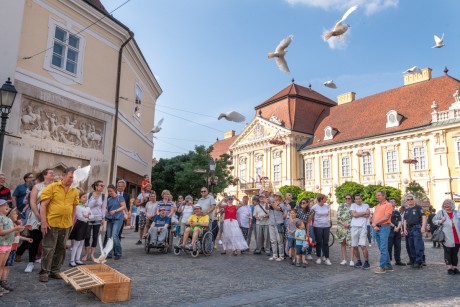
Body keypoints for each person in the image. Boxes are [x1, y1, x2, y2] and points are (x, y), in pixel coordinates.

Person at [39, 167, 80, 282]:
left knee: (61, 248)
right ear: (63, 175)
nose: (72, 180)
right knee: (48, 248)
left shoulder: (75, 191)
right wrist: (43, 222)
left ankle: (55, 270)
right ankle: (44, 272)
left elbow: (74, 207)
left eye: (74, 178)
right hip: (51, 223)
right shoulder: (52, 187)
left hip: (66, 224)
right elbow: (43, 205)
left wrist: (72, 221)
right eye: (70, 177)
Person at [23, 168, 54, 273]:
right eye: (51, 173)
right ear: (45, 175)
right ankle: (30, 262)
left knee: (49, 242)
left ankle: (46, 265)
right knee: (35, 240)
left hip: (51, 217)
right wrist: (39, 216)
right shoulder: (37, 186)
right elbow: (32, 202)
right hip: (36, 217)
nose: (53, 174)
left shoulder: (56, 186)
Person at [2, 207, 32, 292]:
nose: (17, 216)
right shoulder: (10, 224)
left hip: (13, 248)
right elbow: (12, 234)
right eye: (15, 214)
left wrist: (25, 235)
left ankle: (4, 282)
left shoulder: (14, 224)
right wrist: (21, 227)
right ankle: (2, 283)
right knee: (4, 266)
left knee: (8, 266)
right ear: (9, 215)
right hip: (8, 247)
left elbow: (16, 236)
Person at [0, 201, 26, 295]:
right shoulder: (0, 219)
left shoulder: (8, 219)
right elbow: (1, 232)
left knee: (3, 266)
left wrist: (19, 229)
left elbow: (12, 233)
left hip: (8, 245)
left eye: (7, 205)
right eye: (3, 205)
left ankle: (1, 285)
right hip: (1, 245)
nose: (6, 206)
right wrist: (15, 229)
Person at [433, 199, 460, 275]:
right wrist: (440, 221)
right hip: (446, 235)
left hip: (457, 235)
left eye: (448, 203)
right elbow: (434, 220)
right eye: (445, 204)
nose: (446, 205)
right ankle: (449, 268)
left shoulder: (456, 213)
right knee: (448, 252)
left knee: (455, 253)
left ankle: (454, 268)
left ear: (452, 204)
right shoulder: (441, 212)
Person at [83, 180, 106, 262]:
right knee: (87, 236)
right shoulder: (89, 195)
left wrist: (103, 218)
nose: (102, 187)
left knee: (95, 236)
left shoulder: (103, 196)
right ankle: (86, 254)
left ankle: (92, 254)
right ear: (96, 186)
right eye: (100, 185)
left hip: (98, 218)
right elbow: (86, 206)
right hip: (89, 218)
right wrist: (94, 201)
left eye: (103, 186)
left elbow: (103, 208)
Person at [372, 190, 393, 274]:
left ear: (384, 196)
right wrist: (374, 225)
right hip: (377, 228)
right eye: (377, 195)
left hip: (384, 227)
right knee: (381, 248)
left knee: (383, 247)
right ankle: (388, 266)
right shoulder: (377, 206)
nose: (377, 197)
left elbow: (386, 217)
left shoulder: (388, 205)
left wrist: (375, 223)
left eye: (379, 195)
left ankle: (382, 267)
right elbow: (374, 216)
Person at [69, 193, 92, 267]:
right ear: (79, 198)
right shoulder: (78, 206)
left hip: (85, 225)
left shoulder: (87, 207)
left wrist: (87, 216)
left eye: (86, 197)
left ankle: (77, 259)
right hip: (79, 225)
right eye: (84, 197)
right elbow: (80, 216)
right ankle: (72, 260)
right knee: (77, 243)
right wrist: (87, 216)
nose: (85, 198)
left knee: (81, 243)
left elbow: (92, 216)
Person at [308, 193, 331, 265]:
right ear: (321, 199)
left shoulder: (326, 206)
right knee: (319, 242)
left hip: (326, 226)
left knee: (326, 242)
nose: (326, 199)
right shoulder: (314, 207)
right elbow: (310, 218)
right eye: (325, 198)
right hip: (318, 226)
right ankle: (318, 257)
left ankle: (327, 258)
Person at [105, 184, 126, 260]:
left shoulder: (120, 197)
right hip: (110, 219)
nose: (110, 192)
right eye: (108, 191)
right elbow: (107, 209)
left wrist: (115, 211)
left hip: (118, 218)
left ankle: (118, 253)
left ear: (114, 190)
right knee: (109, 236)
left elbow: (124, 206)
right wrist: (105, 216)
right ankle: (109, 253)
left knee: (114, 235)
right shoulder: (109, 199)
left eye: (111, 191)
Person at [350, 194, 370, 270]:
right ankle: (359, 261)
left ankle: (367, 262)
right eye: (356, 199)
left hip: (363, 227)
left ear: (361, 199)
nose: (358, 200)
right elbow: (354, 215)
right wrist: (363, 213)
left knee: (363, 245)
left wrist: (358, 214)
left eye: (359, 199)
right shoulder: (353, 205)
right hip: (354, 227)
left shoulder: (366, 205)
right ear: (354, 200)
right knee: (354, 246)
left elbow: (367, 215)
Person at [268, 192, 287, 261]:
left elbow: (277, 208)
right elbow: (267, 208)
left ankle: (281, 255)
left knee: (279, 240)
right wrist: (267, 202)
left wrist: (271, 202)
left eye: (276, 196)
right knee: (273, 240)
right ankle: (274, 255)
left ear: (279, 197)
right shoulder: (271, 203)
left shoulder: (282, 204)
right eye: (274, 195)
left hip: (279, 223)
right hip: (271, 223)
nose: (275, 197)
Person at [337, 194, 353, 266]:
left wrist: (349, 224)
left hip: (351, 226)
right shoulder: (341, 205)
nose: (347, 200)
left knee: (351, 244)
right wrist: (343, 224)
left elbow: (355, 217)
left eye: (349, 198)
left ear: (351, 199)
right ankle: (344, 259)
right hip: (342, 226)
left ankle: (351, 260)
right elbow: (338, 216)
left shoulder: (354, 206)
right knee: (343, 243)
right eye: (346, 198)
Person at [388, 198, 405, 266]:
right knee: (389, 247)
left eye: (394, 201)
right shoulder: (387, 211)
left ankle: (398, 260)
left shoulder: (397, 212)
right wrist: (394, 227)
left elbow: (400, 221)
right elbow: (387, 221)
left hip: (397, 231)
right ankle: (388, 261)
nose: (392, 203)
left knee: (398, 246)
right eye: (391, 201)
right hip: (390, 231)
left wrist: (398, 227)